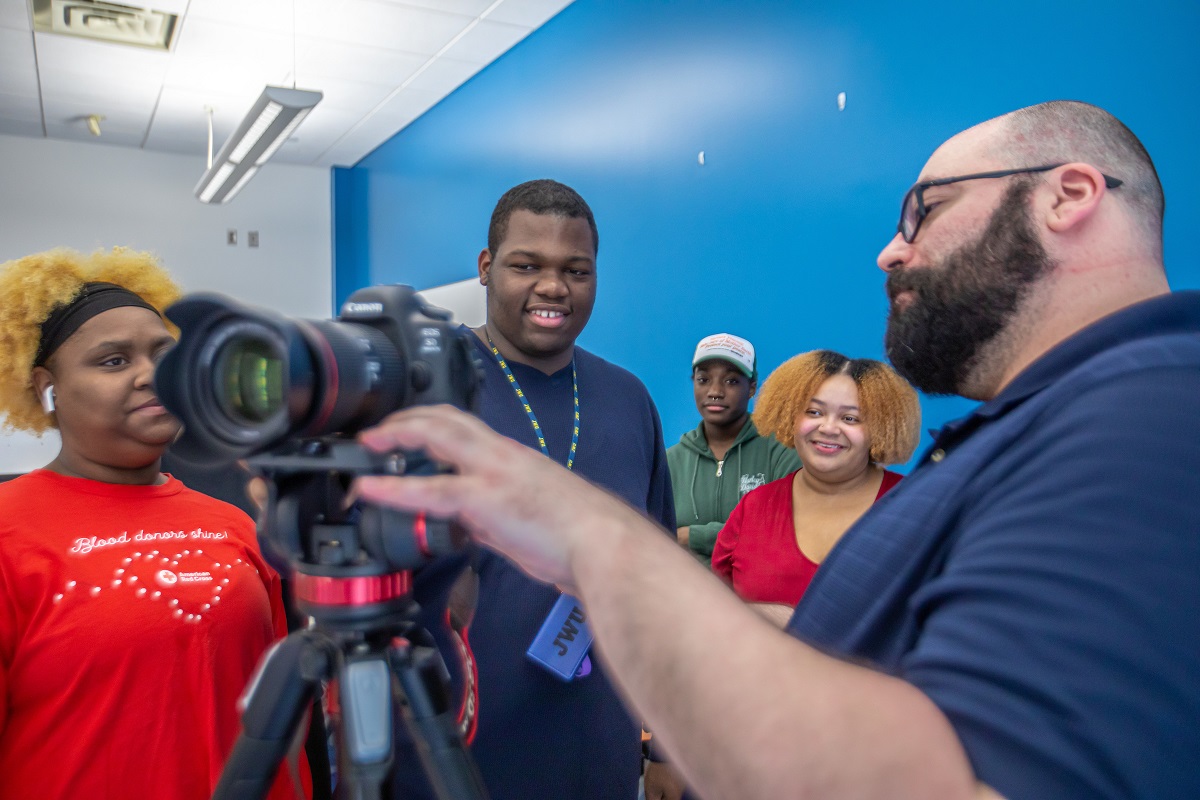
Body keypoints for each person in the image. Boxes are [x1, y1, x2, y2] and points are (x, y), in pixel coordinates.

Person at [354, 100, 1200, 799]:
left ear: (1071, 196)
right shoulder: (1051, 422)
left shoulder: (1145, 417)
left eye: (926, 210)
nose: (892, 248)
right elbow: (899, 675)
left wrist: (586, 537)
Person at [394, 179, 676, 800]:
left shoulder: (629, 400)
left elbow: (656, 585)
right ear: (487, 268)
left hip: (600, 755)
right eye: (527, 265)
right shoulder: (421, 392)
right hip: (450, 761)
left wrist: (662, 740)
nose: (553, 287)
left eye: (576, 269)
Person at [0, 248, 308, 799]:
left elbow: (282, 705)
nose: (150, 377)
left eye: (162, 356)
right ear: (47, 389)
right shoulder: (9, 529)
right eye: (113, 361)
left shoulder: (234, 521)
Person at [712, 350, 919, 626]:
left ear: (880, 428)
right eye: (814, 412)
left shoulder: (914, 506)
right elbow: (713, 613)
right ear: (790, 416)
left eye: (850, 418)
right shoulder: (754, 507)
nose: (829, 427)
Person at [667, 333, 800, 566]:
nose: (715, 391)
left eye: (731, 381)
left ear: (752, 388)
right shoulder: (670, 461)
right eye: (703, 380)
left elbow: (786, 533)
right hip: (683, 597)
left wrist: (693, 536)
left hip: (758, 599)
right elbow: (656, 538)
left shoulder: (781, 451)